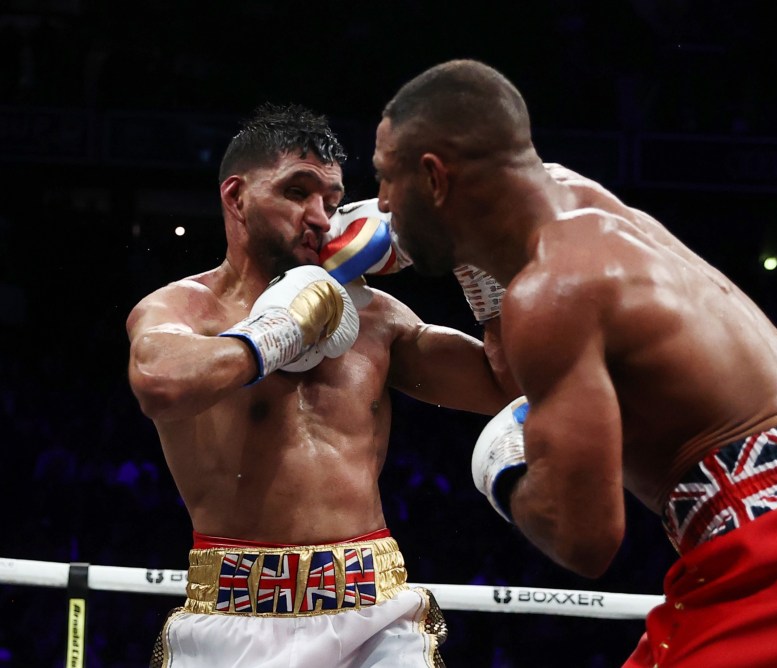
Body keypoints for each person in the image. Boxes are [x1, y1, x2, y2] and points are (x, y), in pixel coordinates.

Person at [371, 59, 777, 667]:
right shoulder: (594, 217)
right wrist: (467, 257)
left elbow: (585, 538)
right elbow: (514, 370)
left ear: (436, 179)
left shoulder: (553, 293)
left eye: (387, 178)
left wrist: (503, 469)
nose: (382, 202)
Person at [125, 102, 517, 667]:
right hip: (235, 618)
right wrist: (279, 333)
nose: (319, 217)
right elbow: (159, 382)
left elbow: (503, 383)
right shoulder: (185, 308)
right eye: (297, 192)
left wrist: (476, 263)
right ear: (236, 197)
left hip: (374, 617)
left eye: (332, 201)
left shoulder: (375, 317)